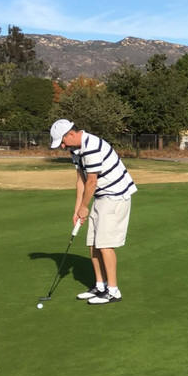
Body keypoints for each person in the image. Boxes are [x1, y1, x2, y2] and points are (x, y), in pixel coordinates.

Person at [50, 119, 137, 304]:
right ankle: (100, 286)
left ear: (71, 134)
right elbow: (80, 179)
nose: (63, 146)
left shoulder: (92, 146)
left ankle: (113, 291)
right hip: (101, 196)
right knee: (92, 243)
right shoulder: (75, 150)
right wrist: (77, 209)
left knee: (105, 243)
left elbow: (92, 181)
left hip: (115, 195)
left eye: (63, 142)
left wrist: (84, 207)